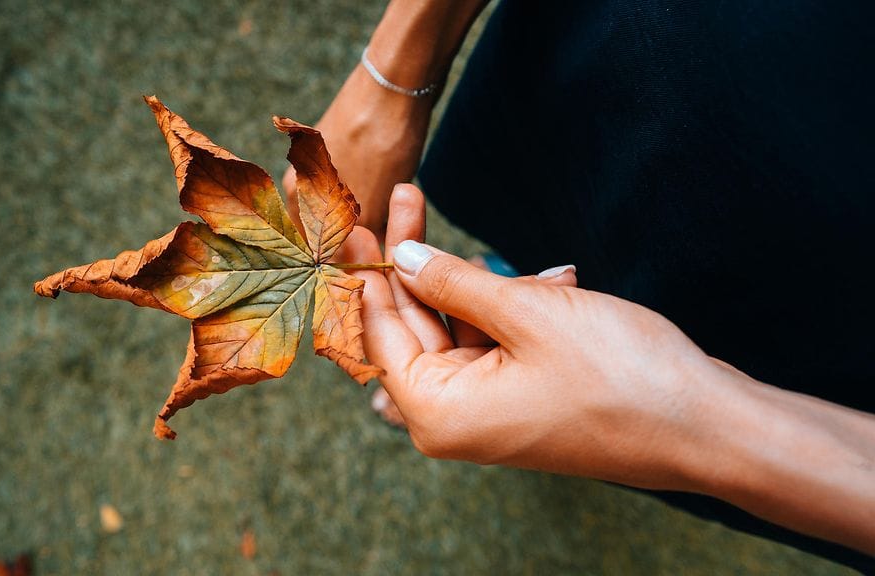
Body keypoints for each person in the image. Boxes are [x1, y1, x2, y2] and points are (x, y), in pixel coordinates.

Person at [284, 0, 875, 569]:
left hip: (821, 328)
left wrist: (706, 424)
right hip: (624, 61)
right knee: (552, 224)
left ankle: (539, 349)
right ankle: (514, 295)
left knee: (707, 341)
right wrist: (395, 68)